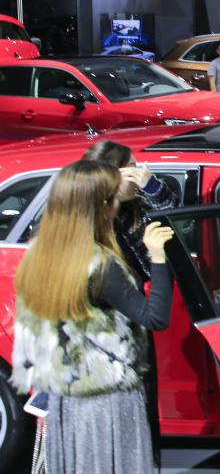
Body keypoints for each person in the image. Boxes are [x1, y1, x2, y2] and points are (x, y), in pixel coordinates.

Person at [12, 160, 175, 474]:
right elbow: (154, 318)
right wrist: (158, 256)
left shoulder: (38, 255)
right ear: (101, 207)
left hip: (64, 396)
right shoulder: (100, 265)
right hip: (108, 400)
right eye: (112, 199)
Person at [80, 140, 178, 465]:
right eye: (132, 169)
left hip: (130, 339)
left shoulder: (133, 209)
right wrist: (158, 258)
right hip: (110, 351)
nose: (140, 172)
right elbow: (154, 317)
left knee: (140, 427)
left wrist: (151, 186)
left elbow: (177, 216)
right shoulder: (93, 244)